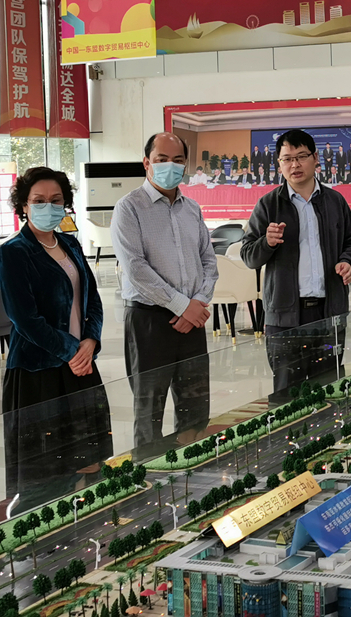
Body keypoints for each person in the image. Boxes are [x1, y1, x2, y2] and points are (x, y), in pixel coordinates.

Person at [0, 167, 112, 506]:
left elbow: (92, 300)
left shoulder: (70, 244)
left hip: (81, 366)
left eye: (56, 200)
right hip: (38, 373)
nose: (48, 206)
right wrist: (72, 350)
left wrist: (90, 342)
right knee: (46, 474)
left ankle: (87, 526)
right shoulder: (14, 252)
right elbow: (24, 319)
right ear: (24, 206)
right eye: (39, 201)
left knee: (89, 463)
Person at [111, 132, 218, 457]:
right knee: (149, 411)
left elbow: (208, 261)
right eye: (162, 159)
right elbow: (136, 269)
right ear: (147, 163)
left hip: (193, 319)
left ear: (185, 165)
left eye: (177, 160)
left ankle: (193, 468)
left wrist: (197, 303)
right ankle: (149, 476)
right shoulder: (129, 208)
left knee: (195, 405)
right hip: (149, 321)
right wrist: (183, 306)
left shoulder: (192, 209)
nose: (170, 166)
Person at [241, 129, 351, 403]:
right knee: (287, 398)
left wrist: (347, 261)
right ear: (279, 164)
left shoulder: (335, 201)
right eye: (287, 159)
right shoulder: (268, 205)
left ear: (315, 158)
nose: (294, 165)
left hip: (329, 314)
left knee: (328, 393)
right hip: (284, 318)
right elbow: (249, 256)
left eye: (301, 157)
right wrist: (267, 243)